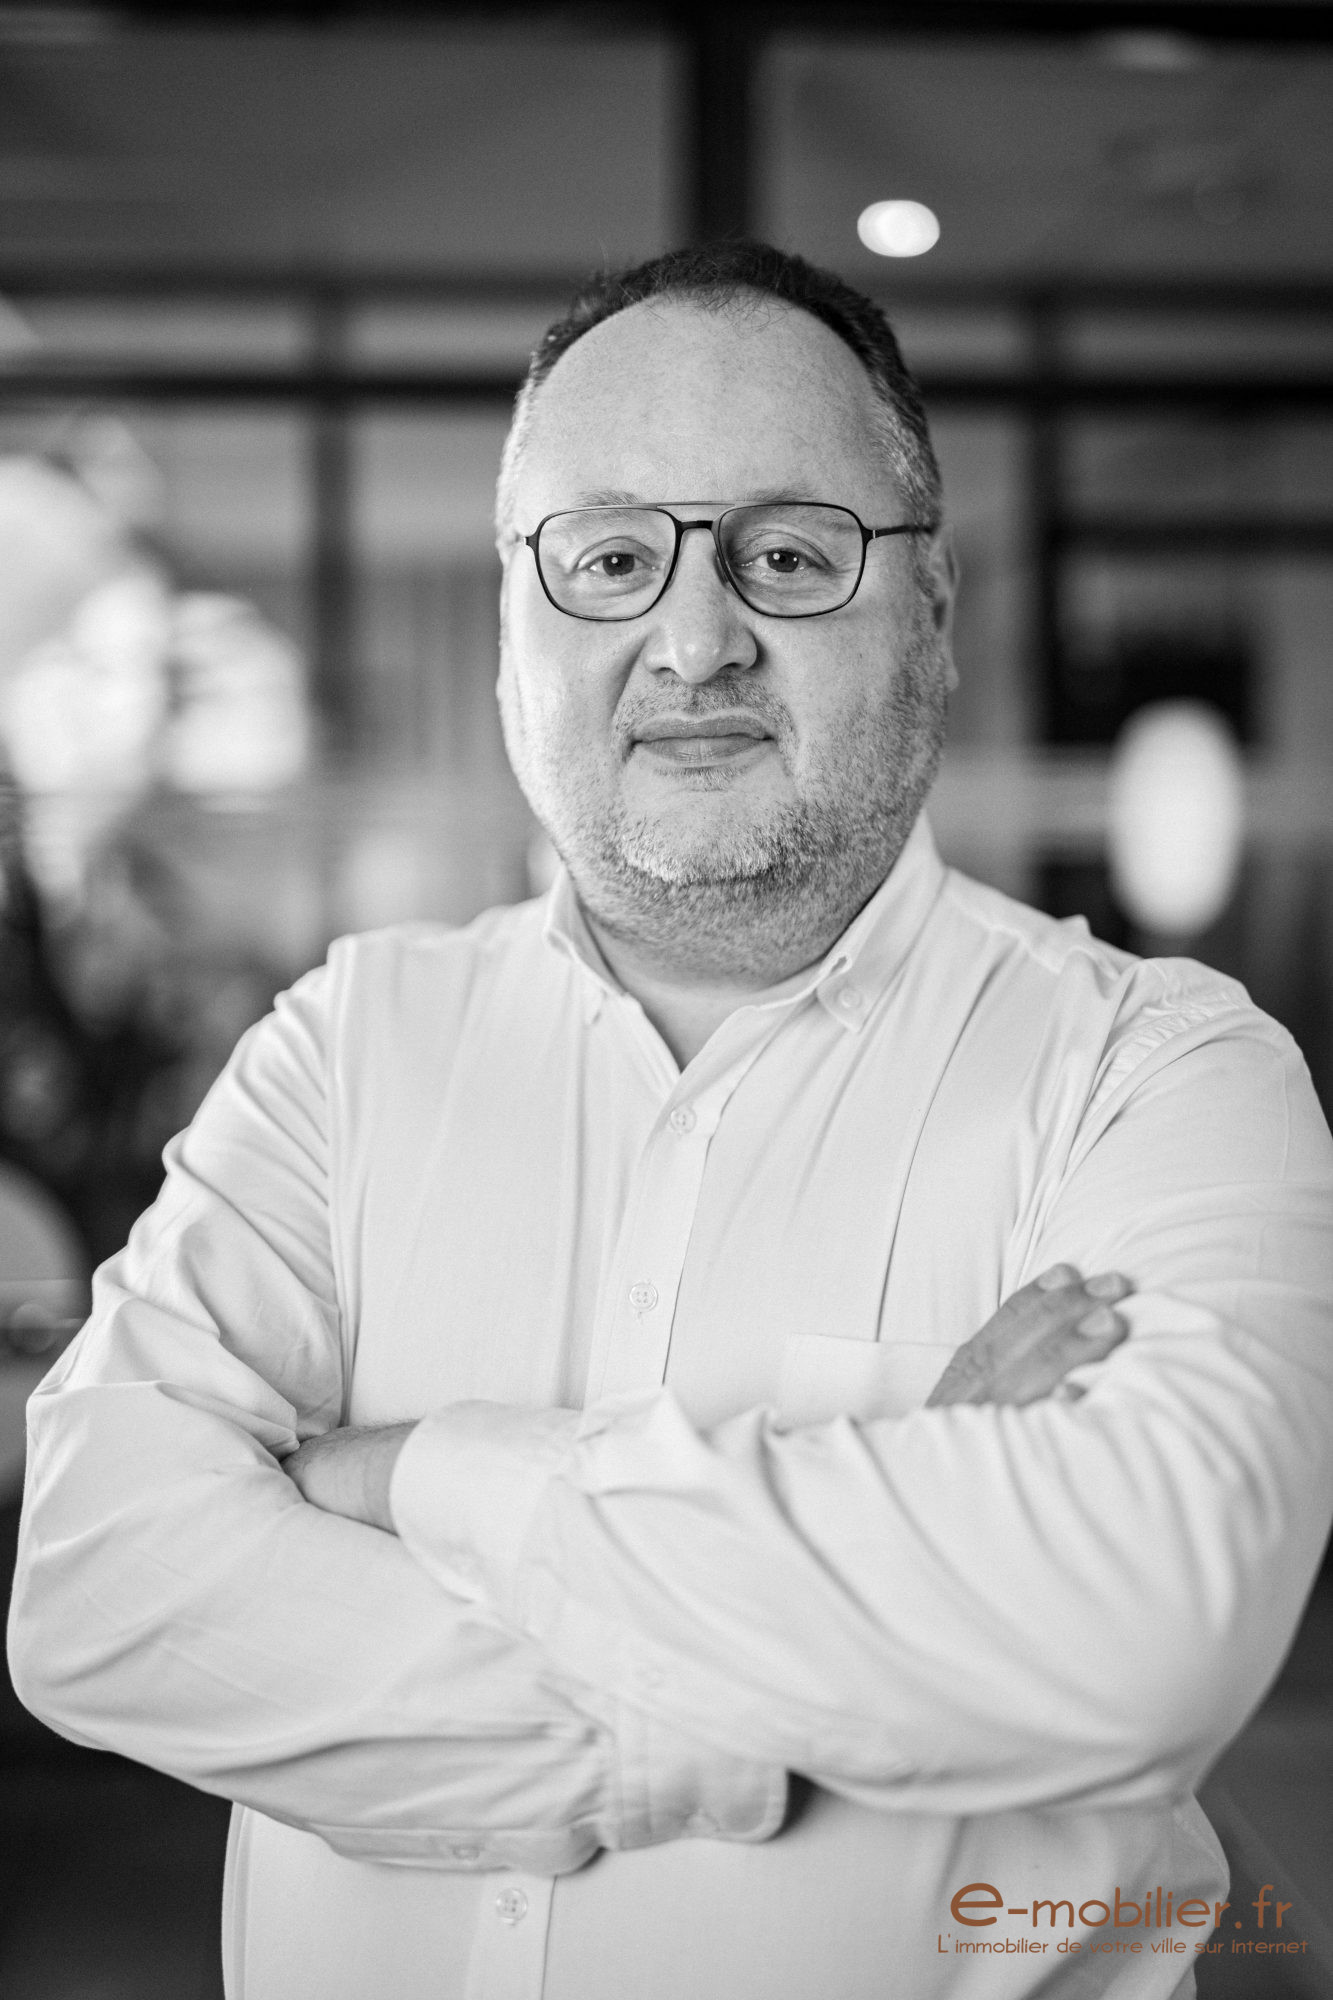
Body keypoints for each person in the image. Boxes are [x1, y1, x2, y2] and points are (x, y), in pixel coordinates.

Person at [8, 242, 1333, 2000]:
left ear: (930, 616)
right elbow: (101, 1591)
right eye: (611, 558)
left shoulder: (1156, 1071)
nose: (695, 640)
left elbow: (1141, 1640)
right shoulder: (347, 1046)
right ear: (515, 632)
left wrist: (407, 1480)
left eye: (787, 554)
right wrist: (866, 1606)